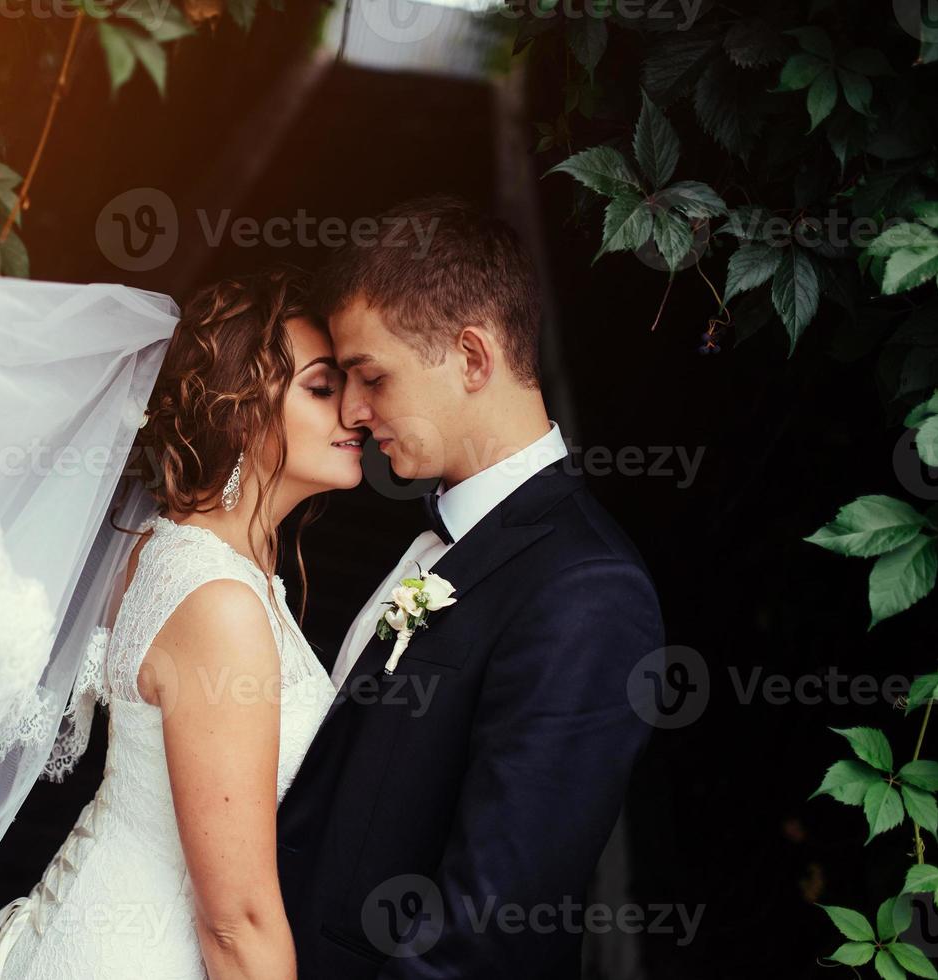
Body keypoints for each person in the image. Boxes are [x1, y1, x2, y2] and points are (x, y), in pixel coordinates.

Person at [276, 196, 664, 979]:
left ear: (473, 358)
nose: (353, 411)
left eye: (371, 376)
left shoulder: (586, 591)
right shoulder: (436, 542)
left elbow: (488, 930)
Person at [0, 268, 362, 980]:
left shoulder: (179, 552)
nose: (358, 411)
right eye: (321, 387)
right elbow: (234, 925)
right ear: (245, 411)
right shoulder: (218, 601)